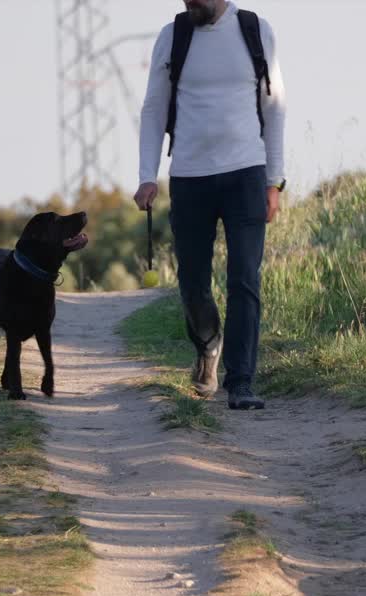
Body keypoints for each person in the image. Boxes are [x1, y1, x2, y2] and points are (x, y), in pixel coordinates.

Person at [134, 0, 286, 411]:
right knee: (193, 284)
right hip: (189, 176)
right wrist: (147, 175)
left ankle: (242, 381)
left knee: (244, 279)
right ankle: (208, 344)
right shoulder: (174, 36)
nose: (189, 3)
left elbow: (274, 109)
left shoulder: (255, 31)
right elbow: (153, 107)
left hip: (246, 174)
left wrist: (275, 181)